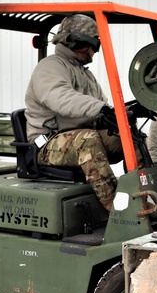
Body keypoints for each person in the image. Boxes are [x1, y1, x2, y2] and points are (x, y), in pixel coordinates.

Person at [24, 14, 123, 211]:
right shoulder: (50, 67)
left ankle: (145, 197)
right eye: (92, 45)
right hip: (46, 143)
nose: (93, 53)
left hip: (75, 138)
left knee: (127, 137)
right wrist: (100, 109)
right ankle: (119, 212)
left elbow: (100, 106)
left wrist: (120, 116)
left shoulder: (85, 74)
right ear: (74, 41)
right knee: (87, 140)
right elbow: (61, 98)